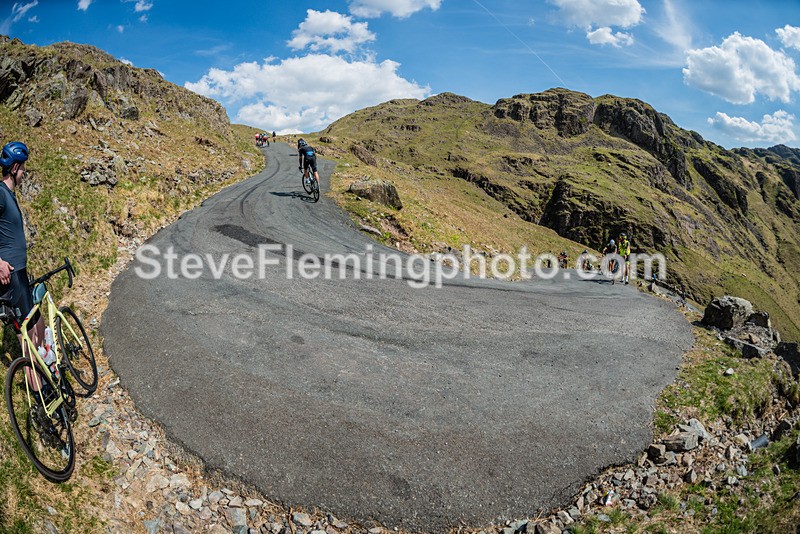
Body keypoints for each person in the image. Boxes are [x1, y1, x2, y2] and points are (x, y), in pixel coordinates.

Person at [0, 141, 45, 363]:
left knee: (39, 324)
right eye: (23, 168)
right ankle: (38, 393)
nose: (24, 173)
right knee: (28, 338)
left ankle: (48, 378)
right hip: (9, 274)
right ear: (15, 167)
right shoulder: (0, 193)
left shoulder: (9, 195)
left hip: (19, 271)